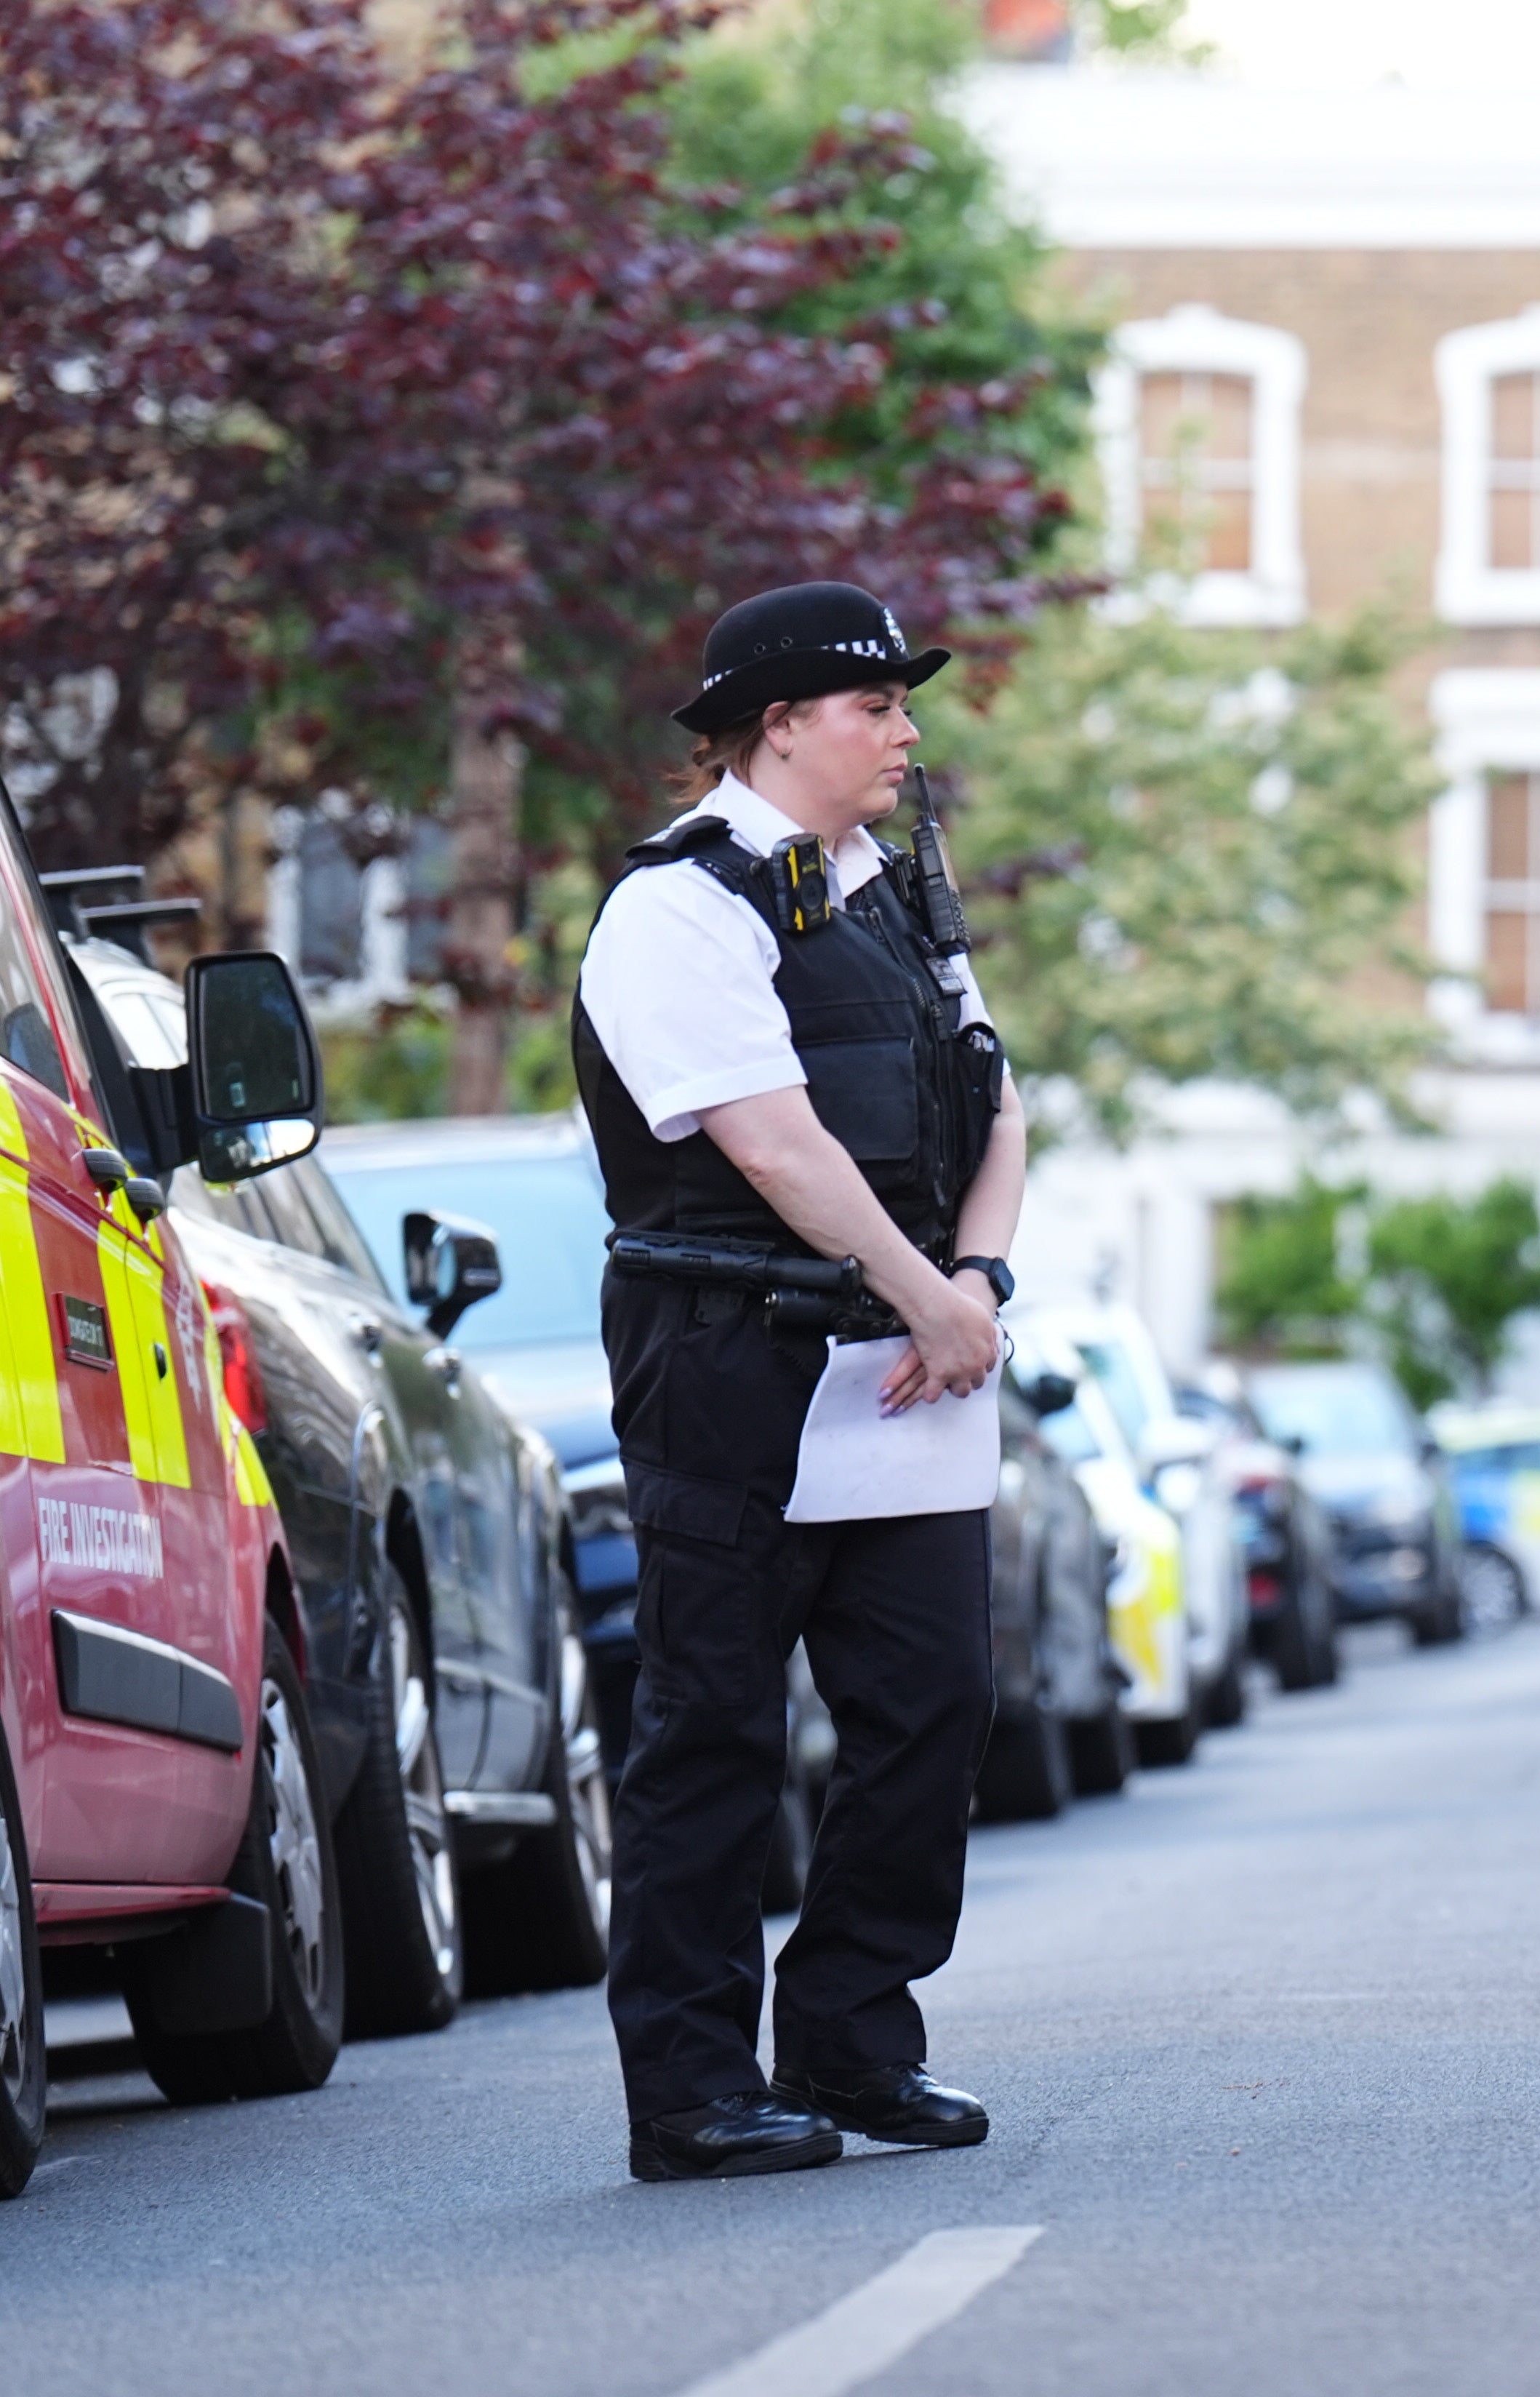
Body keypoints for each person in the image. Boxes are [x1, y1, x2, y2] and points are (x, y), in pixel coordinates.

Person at [574, 581, 1027, 2180]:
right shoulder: (678, 908)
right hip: (736, 1360)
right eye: (877, 707)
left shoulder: (892, 897)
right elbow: (772, 1141)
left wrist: (969, 1284)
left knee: (932, 1709)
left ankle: (848, 2035)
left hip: (910, 1369)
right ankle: (692, 2088)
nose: (908, 733)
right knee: (713, 1726)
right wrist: (927, 1298)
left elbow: (997, 1106)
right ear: (779, 726)